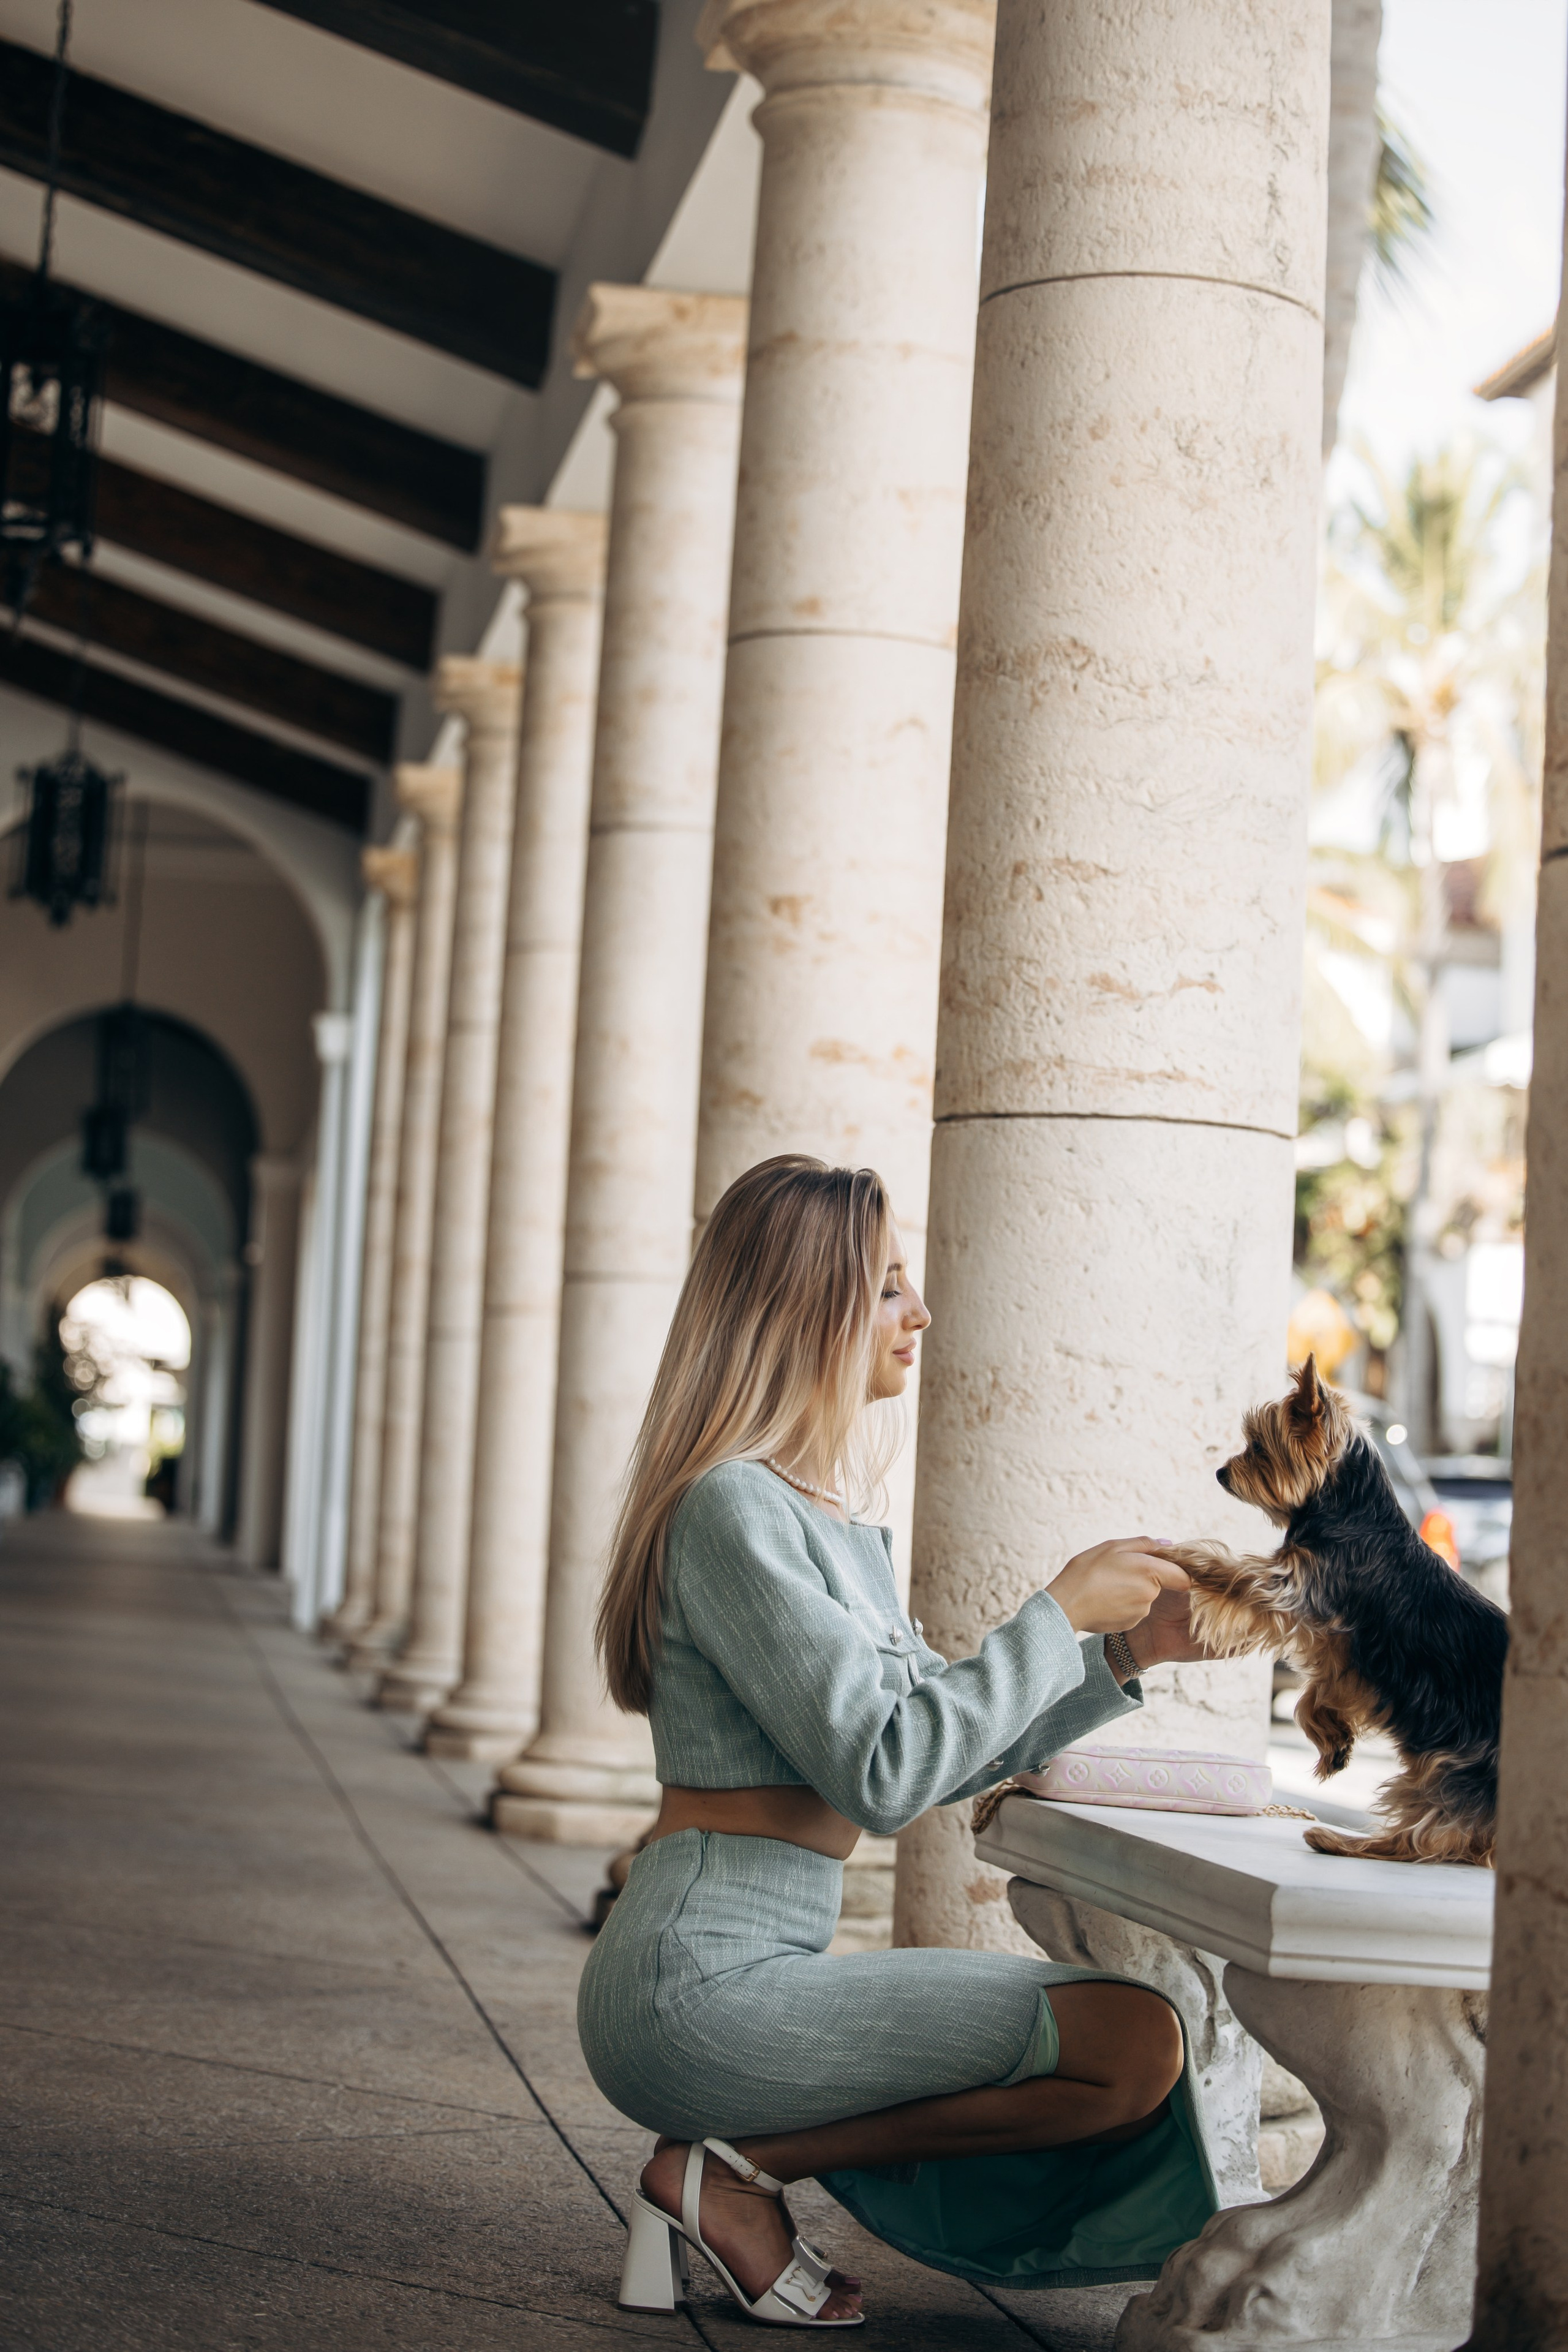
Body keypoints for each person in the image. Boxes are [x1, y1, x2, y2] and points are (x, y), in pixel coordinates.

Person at [578, 1156, 1220, 2328]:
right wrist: (1059, 1608)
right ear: (802, 1309)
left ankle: (733, 2170)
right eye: (886, 1286)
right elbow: (887, 1774)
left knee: (1135, 2047)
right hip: (692, 1986)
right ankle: (735, 2175)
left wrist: (1126, 1657)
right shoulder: (732, 1508)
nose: (919, 1312)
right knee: (1127, 2036)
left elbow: (945, 1755)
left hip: (752, 1972)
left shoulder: (817, 1520)